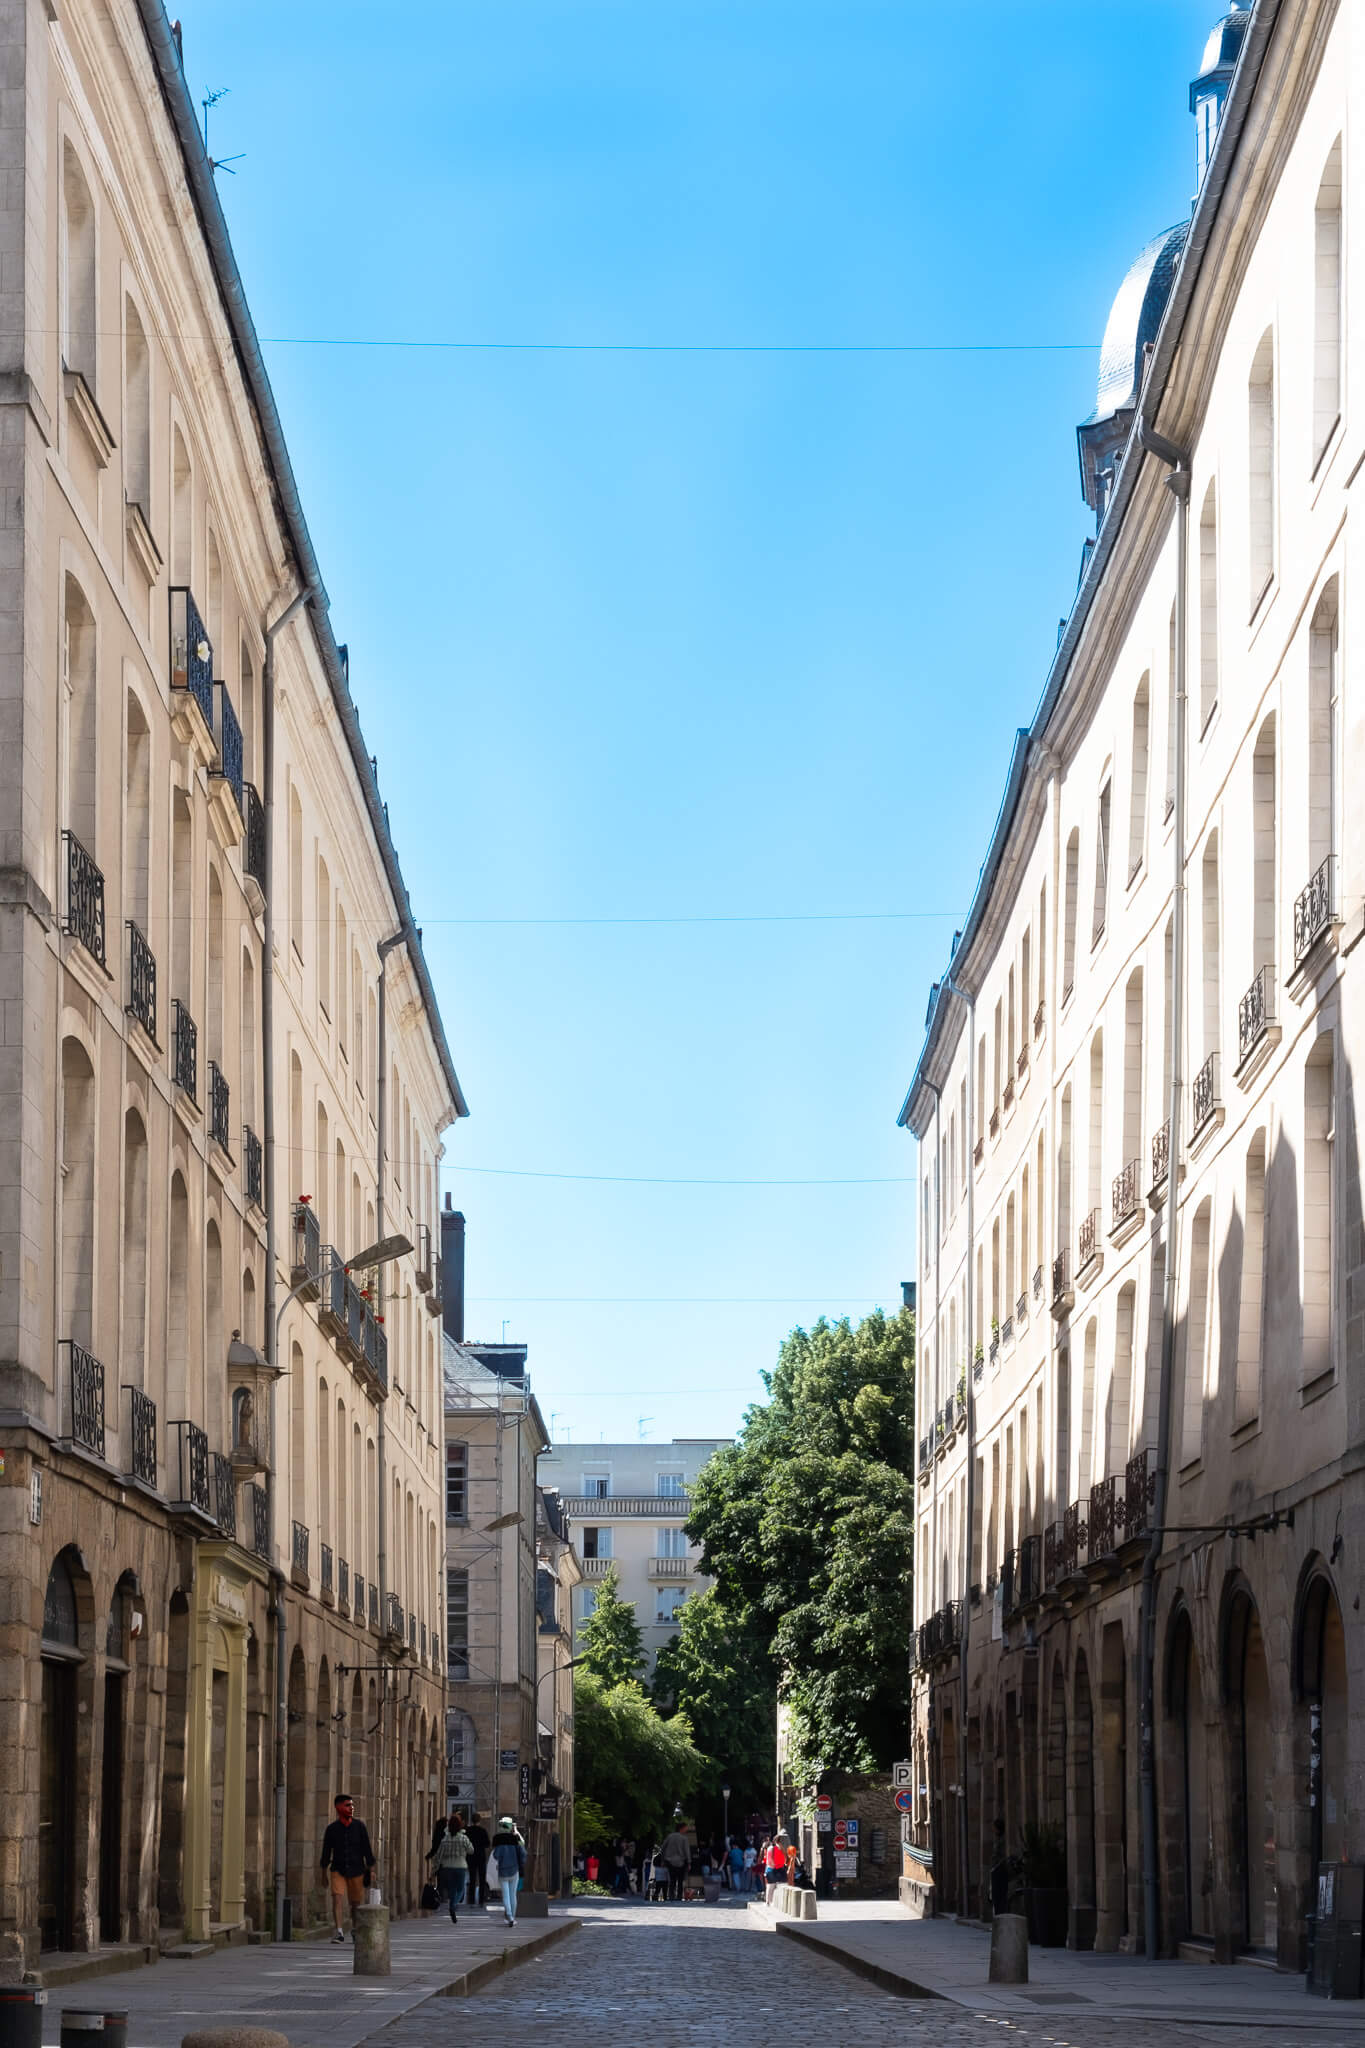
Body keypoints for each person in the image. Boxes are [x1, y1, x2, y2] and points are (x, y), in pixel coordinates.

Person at [319, 1793, 375, 1943]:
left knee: (355, 1904)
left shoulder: (360, 1827)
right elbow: (326, 1852)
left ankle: (355, 1929)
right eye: (347, 1805)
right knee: (337, 1898)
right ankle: (339, 1931)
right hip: (338, 1869)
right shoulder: (331, 1829)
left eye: (352, 1805)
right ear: (338, 1808)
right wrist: (323, 1873)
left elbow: (367, 1850)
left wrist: (370, 1869)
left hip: (357, 1870)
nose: (351, 1808)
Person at [431, 1809, 474, 1923]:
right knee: (460, 1889)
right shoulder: (463, 1838)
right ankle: (453, 1905)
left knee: (452, 1889)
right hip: (460, 1866)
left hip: (447, 1868)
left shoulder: (445, 1840)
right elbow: (471, 1850)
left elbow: (438, 1855)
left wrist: (434, 1869)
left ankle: (452, 1904)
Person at [489, 1816, 527, 1924]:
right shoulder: (515, 1839)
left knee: (505, 1895)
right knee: (512, 1895)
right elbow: (523, 1849)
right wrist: (516, 1832)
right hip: (514, 1870)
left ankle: (509, 1916)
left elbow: (496, 1856)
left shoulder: (498, 1839)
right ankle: (512, 1917)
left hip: (502, 1870)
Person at [658, 1820, 691, 1901]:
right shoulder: (684, 1838)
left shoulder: (670, 1836)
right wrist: (689, 1862)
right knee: (680, 1881)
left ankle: (671, 1896)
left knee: (672, 1880)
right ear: (681, 1828)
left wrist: (662, 1859)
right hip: (681, 1862)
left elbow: (663, 1848)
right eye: (685, 1828)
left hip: (670, 1862)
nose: (686, 1830)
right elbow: (687, 1851)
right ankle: (679, 1897)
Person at [466, 1813, 490, 1906]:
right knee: (482, 1878)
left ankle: (471, 1899)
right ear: (479, 1820)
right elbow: (487, 1843)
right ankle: (481, 1899)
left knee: (472, 1878)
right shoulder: (482, 1831)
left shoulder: (468, 1830)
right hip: (480, 1856)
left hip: (471, 1856)